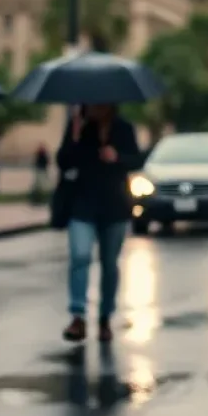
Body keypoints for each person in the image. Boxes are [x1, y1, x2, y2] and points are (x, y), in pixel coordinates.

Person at [57, 103, 141, 344]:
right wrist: (73, 136)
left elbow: (136, 159)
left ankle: (105, 317)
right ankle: (77, 315)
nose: (93, 107)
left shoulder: (123, 128)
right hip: (82, 204)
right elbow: (64, 162)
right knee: (80, 256)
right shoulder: (78, 127)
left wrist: (117, 157)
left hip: (114, 207)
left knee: (109, 264)